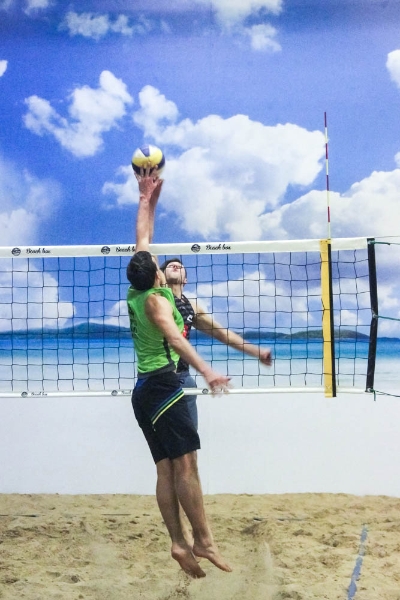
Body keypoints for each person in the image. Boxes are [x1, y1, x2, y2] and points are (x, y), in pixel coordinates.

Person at [126, 167, 232, 579]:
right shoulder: (157, 301)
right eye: (156, 262)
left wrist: (146, 197)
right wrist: (207, 370)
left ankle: (177, 541)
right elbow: (175, 339)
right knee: (186, 465)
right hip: (164, 386)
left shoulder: (137, 288)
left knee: (166, 469)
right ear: (156, 274)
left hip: (144, 391)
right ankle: (203, 540)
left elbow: (143, 235)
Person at [159, 258, 272, 428]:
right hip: (159, 379)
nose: (175, 265)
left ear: (186, 280)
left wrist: (258, 352)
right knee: (165, 441)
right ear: (160, 276)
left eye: (180, 266)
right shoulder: (156, 301)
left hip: (183, 378)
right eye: (169, 266)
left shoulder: (192, 307)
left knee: (190, 441)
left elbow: (221, 334)